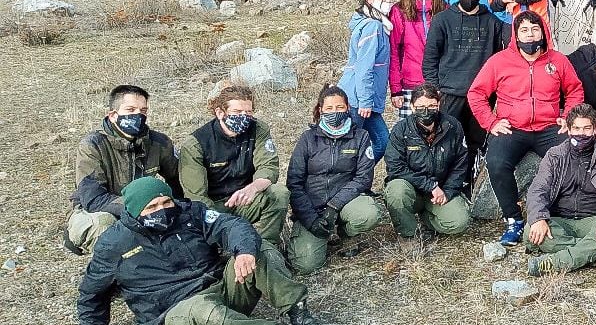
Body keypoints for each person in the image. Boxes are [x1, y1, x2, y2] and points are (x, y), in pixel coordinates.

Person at [45, 176, 334, 325]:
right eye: (152, 207)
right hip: (176, 314)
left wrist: (243, 250)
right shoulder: (113, 244)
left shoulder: (189, 213)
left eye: (166, 201)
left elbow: (230, 224)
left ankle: (302, 317)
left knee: (259, 250)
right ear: (134, 211)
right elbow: (92, 290)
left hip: (220, 289)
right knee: (206, 313)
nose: (162, 209)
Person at [468, 11, 585, 247]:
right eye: (524, 30)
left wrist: (567, 117)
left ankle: (563, 212)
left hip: (549, 126)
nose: (530, 35)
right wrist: (491, 122)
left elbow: (574, 90)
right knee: (497, 163)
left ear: (543, 32)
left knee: (573, 158)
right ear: (516, 34)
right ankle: (513, 219)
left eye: (535, 29)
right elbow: (476, 93)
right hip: (512, 128)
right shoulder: (499, 61)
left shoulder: (558, 60)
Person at [65, 84, 180, 255]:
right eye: (130, 109)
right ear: (112, 115)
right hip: (96, 211)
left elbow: (177, 179)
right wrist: (142, 208)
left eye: (143, 111)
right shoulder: (92, 145)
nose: (138, 115)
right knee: (105, 226)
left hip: (145, 208)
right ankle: (112, 273)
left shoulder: (158, 142)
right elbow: (93, 200)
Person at [285, 85, 382, 275]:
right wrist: (310, 219)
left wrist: (334, 206)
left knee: (368, 214)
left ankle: (347, 233)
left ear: (347, 108)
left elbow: (364, 178)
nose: (335, 112)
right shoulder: (308, 138)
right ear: (321, 110)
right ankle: (313, 234)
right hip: (312, 207)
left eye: (340, 107)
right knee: (306, 265)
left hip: (345, 202)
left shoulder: (361, 137)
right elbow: (294, 182)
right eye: (329, 108)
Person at [177, 84, 289, 247]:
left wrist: (253, 188)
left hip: (246, 198)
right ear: (220, 112)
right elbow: (197, 197)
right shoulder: (196, 144)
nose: (244, 117)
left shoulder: (258, 129)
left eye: (248, 112)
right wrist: (227, 224)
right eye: (237, 112)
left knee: (279, 193)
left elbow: (268, 166)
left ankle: (267, 246)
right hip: (213, 206)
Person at [524, 104, 596, 276]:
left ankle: (553, 263)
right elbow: (538, 189)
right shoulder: (555, 155)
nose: (581, 134)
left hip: (595, 221)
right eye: (577, 128)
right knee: (532, 229)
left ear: (595, 129)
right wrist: (538, 218)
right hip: (561, 220)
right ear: (569, 129)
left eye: (587, 128)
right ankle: (595, 255)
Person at [422, 0, 503, 179]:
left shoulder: (492, 22)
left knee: (476, 144)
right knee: (446, 141)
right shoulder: (442, 20)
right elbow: (430, 59)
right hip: (450, 93)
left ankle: (470, 184)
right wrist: (435, 91)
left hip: (481, 96)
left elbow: (496, 60)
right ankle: (444, 185)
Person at [383, 84, 473, 239]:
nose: (426, 111)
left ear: (438, 104)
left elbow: (460, 164)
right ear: (411, 107)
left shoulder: (452, 126)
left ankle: (427, 220)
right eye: (420, 106)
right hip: (411, 190)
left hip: (441, 190)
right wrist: (430, 185)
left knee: (459, 222)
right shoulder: (401, 130)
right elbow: (395, 168)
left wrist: (449, 191)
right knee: (396, 190)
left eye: (431, 106)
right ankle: (408, 234)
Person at [336, 0, 394, 163]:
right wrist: (366, 102)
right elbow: (364, 68)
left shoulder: (380, 25)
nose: (388, 1)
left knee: (382, 140)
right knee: (352, 147)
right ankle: (350, 184)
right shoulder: (373, 26)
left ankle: (360, 181)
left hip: (365, 98)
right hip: (358, 99)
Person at [390, 0, 445, 120]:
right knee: (409, 134)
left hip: (439, 83)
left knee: (439, 131)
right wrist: (395, 89)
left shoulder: (443, 8)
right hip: (410, 84)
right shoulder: (399, 11)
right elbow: (393, 51)